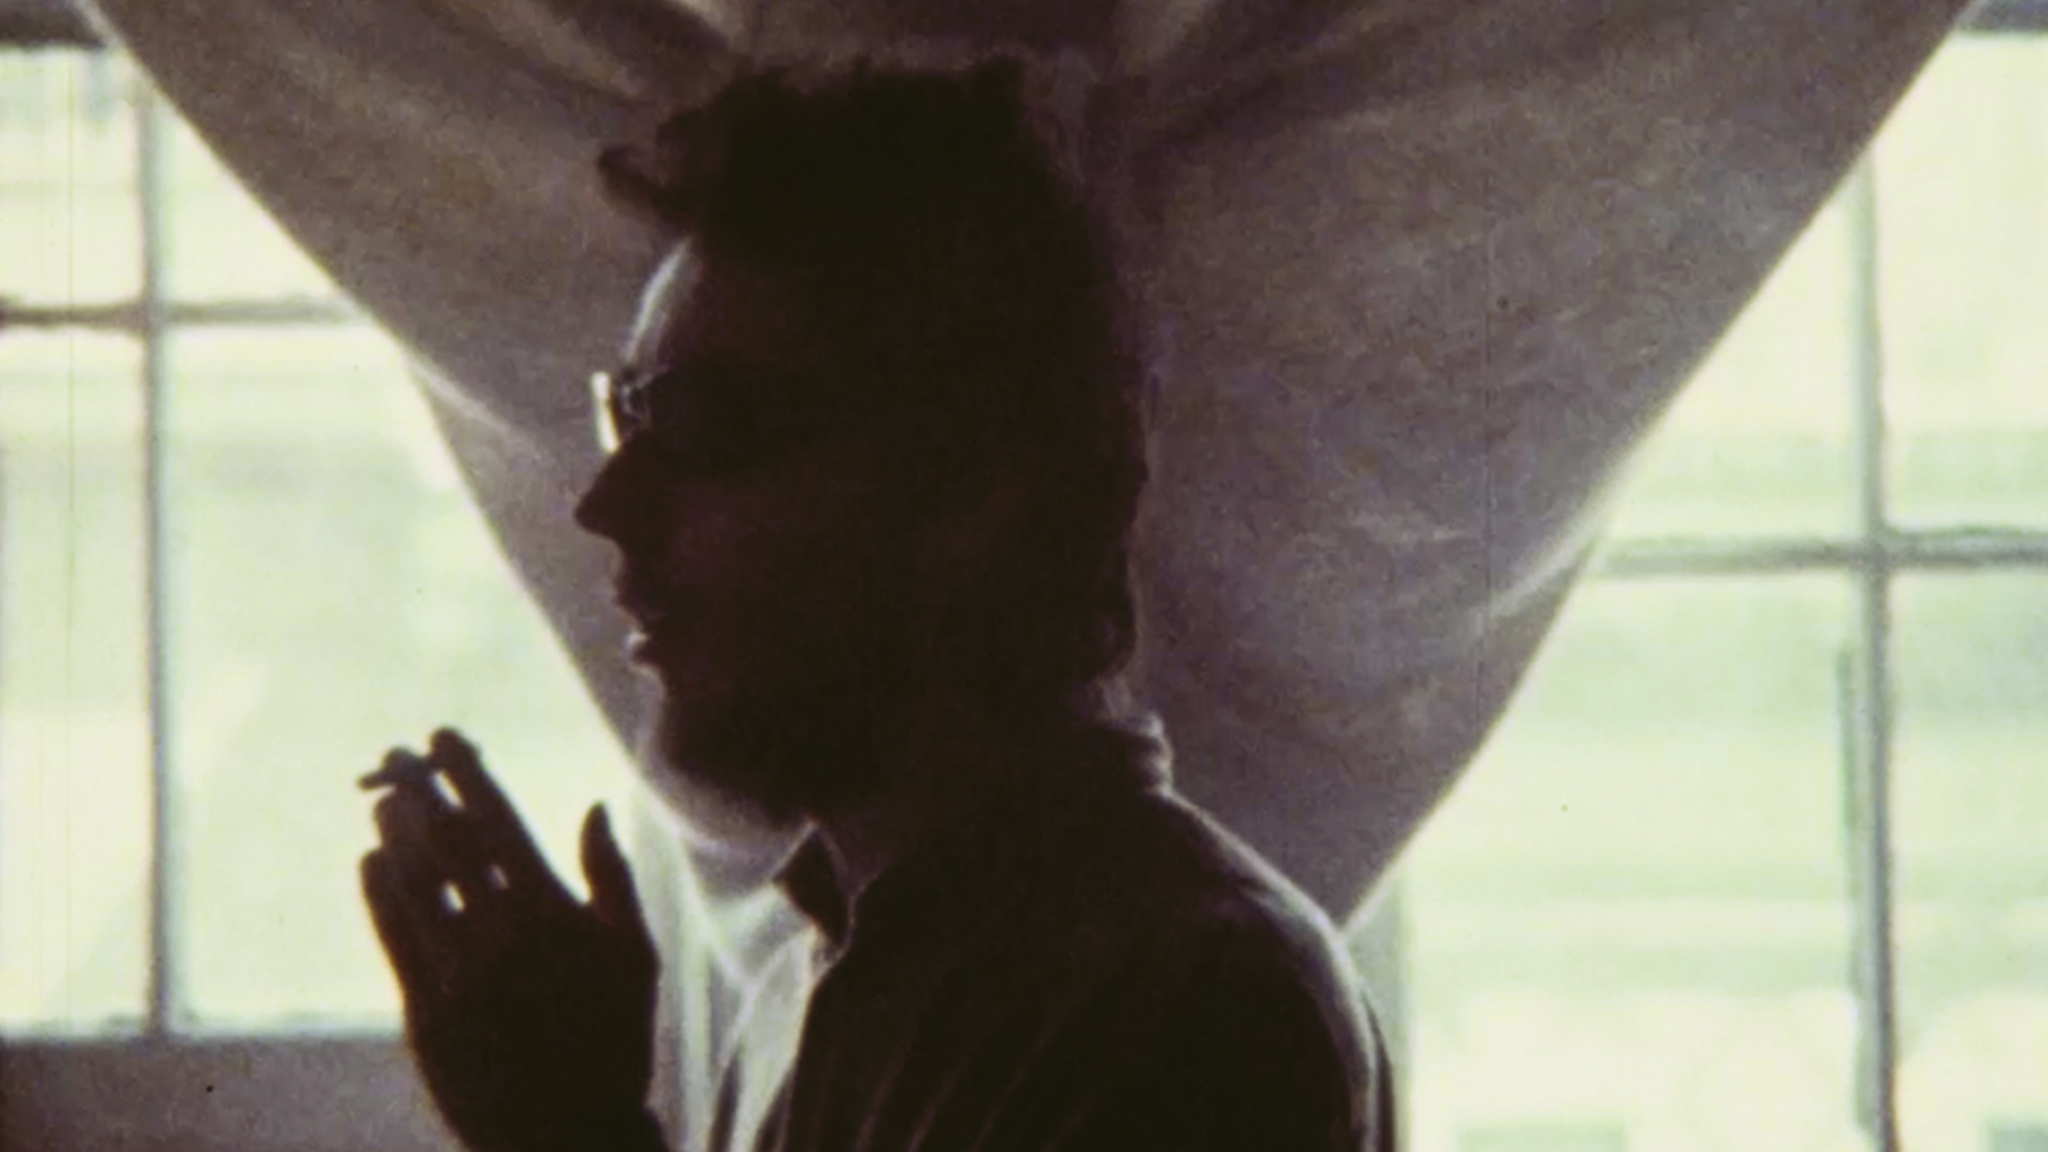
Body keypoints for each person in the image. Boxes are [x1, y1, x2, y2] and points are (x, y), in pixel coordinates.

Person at [360, 57, 1396, 1152]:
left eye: (704, 424)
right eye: (628, 417)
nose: (605, 505)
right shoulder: (802, 993)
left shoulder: (1190, 1011)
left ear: (975, 485)